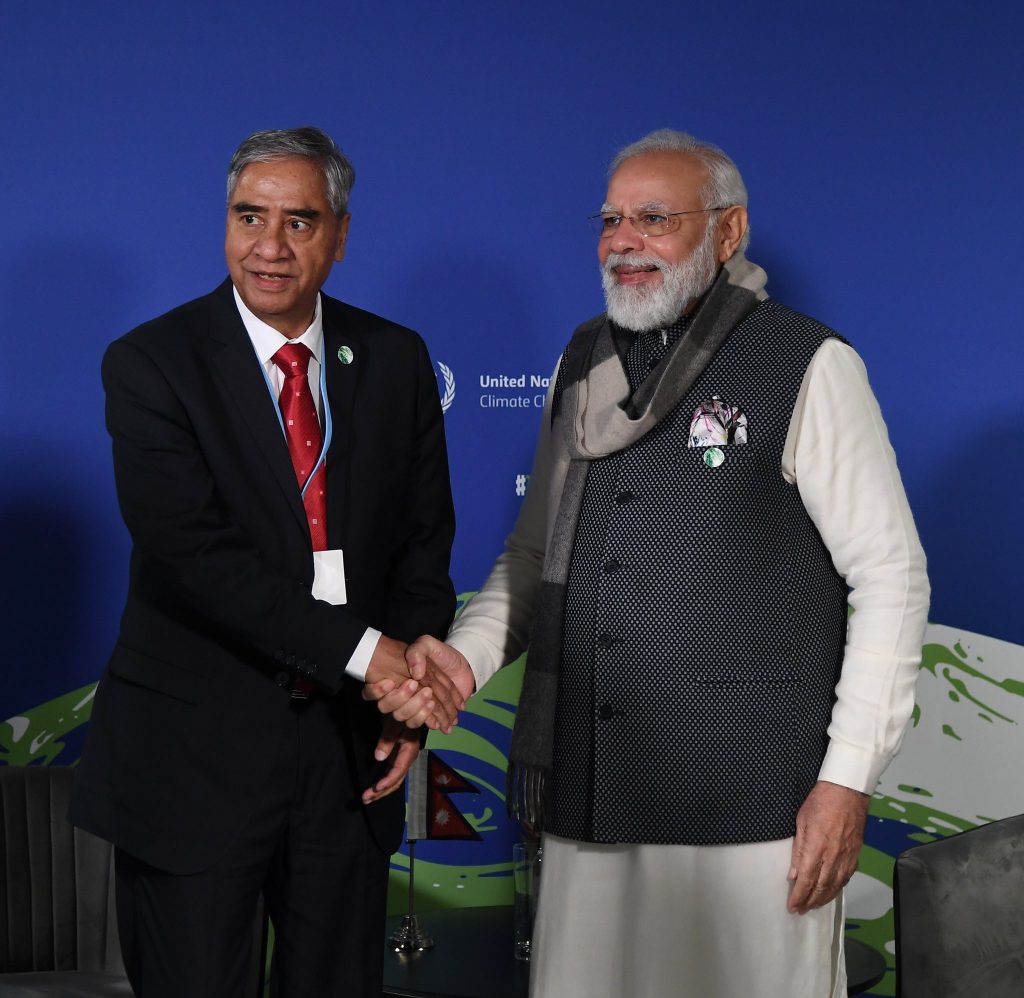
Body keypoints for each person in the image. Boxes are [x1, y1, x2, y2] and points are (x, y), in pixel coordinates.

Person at [375, 129, 930, 997]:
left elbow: (891, 576)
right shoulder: (582, 360)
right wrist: (463, 661)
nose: (624, 241)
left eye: (654, 218)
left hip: (754, 808)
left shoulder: (809, 364)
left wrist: (847, 781)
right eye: (611, 220)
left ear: (728, 230)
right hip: (589, 795)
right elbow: (533, 555)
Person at [69, 126, 463, 998]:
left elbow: (422, 545)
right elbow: (197, 560)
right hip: (195, 761)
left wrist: (403, 696)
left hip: (349, 758)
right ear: (225, 224)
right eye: (250, 217)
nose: (270, 247)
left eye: (299, 221)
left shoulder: (395, 358)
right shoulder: (152, 364)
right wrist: (376, 658)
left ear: (341, 234)